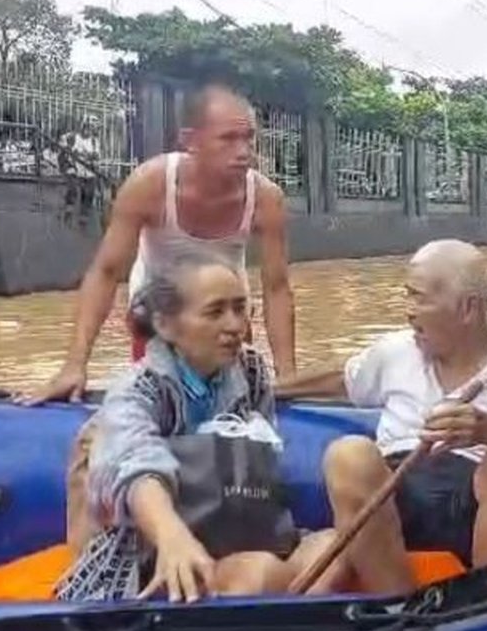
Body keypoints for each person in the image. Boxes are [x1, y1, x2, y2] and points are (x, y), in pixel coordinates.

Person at [276, 239, 487, 595]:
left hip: (474, 504)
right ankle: (401, 608)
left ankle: (485, 603)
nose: (408, 311)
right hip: (391, 499)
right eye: (406, 296)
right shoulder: (395, 351)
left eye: (419, 298)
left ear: (467, 309)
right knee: (348, 454)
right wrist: (269, 389)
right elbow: (342, 379)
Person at [56, 255, 330, 602]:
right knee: (261, 573)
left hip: (242, 528)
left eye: (240, 308)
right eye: (215, 312)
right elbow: (138, 466)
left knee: (331, 549)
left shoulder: (250, 371)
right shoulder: (138, 390)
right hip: (153, 550)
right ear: (166, 325)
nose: (236, 326)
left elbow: (262, 458)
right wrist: (172, 536)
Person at [18, 84, 296, 406]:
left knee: (229, 403)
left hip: (226, 309)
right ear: (190, 141)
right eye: (228, 139)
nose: (244, 151)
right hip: (159, 313)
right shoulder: (150, 184)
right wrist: (74, 365)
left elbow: (277, 288)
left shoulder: (266, 199)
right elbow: (106, 272)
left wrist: (288, 378)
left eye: (249, 138)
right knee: (159, 401)